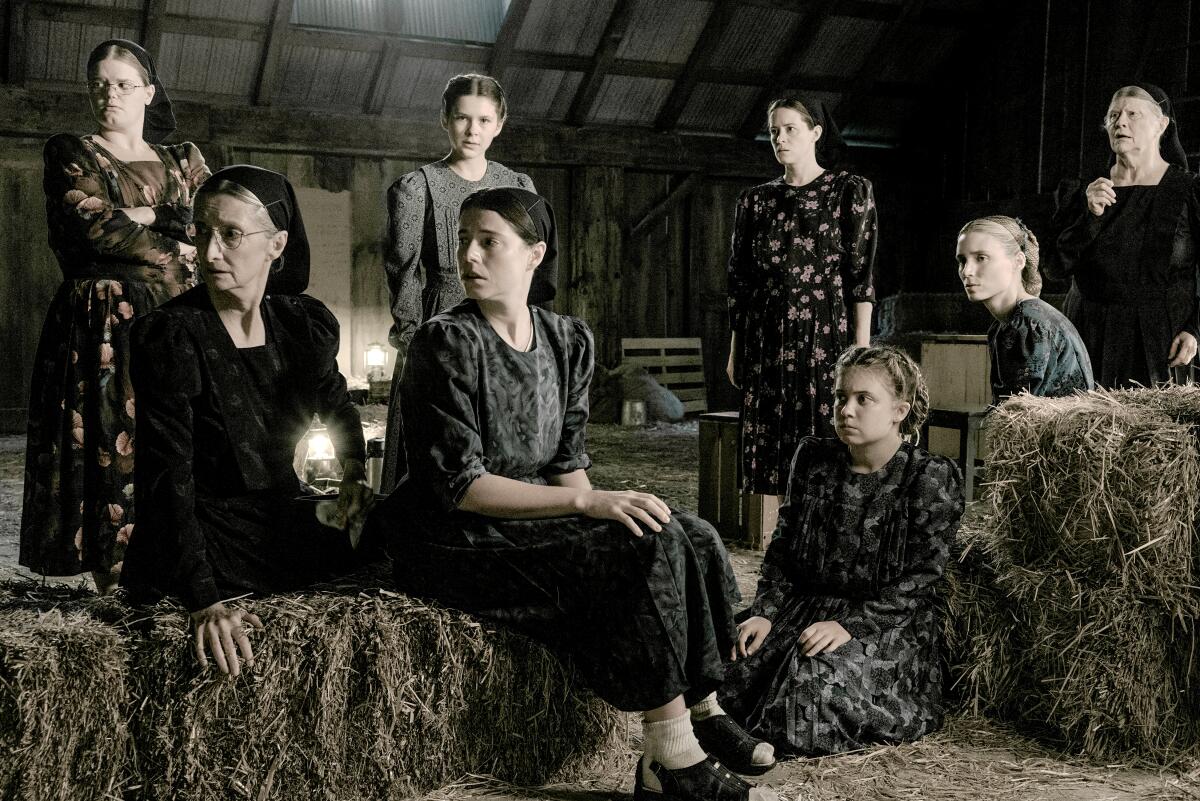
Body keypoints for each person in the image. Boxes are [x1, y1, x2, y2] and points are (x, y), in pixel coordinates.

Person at [370, 188, 777, 800]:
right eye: (464, 241)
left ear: (534, 255)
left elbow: (565, 464)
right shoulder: (444, 344)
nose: (468, 257)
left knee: (684, 530)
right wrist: (590, 506)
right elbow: (461, 486)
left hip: (528, 519)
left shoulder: (567, 341)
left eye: (489, 242)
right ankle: (669, 756)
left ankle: (705, 705)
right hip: (456, 535)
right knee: (633, 549)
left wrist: (612, 507)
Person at [120, 166, 373, 677]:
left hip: (276, 518)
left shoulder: (301, 324)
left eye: (231, 235)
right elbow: (168, 477)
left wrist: (354, 477)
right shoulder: (172, 336)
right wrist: (203, 600)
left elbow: (336, 404)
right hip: (201, 532)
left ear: (276, 245)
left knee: (397, 534)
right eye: (202, 233)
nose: (210, 253)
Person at [20, 39, 209, 594]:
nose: (111, 93)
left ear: (148, 92)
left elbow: (208, 222)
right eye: (99, 83)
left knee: (175, 440)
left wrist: (138, 213)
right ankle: (117, 584)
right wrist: (169, 228)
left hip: (177, 317)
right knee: (111, 443)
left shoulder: (184, 159)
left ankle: (188, 569)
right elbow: (88, 228)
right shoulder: (71, 151)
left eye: (124, 83)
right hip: (100, 324)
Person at [719, 345, 964, 756]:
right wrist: (766, 610)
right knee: (725, 665)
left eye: (863, 400)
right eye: (840, 397)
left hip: (884, 622)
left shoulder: (929, 477)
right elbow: (782, 547)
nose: (845, 410)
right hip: (805, 605)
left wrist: (851, 625)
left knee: (808, 691)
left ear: (899, 411)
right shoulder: (814, 458)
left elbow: (922, 579)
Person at [381, 73, 536, 492]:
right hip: (440, 319)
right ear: (445, 120)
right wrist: (414, 342)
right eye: (463, 118)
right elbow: (403, 269)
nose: (473, 130)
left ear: (499, 124)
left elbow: (529, 267)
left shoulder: (518, 187)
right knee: (436, 438)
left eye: (484, 120)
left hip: (502, 325)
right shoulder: (417, 188)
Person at [726, 95, 877, 510]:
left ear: (815, 132)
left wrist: (860, 352)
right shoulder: (754, 201)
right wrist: (736, 350)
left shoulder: (849, 192)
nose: (781, 138)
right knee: (773, 449)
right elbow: (739, 283)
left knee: (827, 439)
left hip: (826, 337)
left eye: (791, 128)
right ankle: (786, 538)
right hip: (767, 339)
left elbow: (860, 279)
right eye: (774, 131)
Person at [1053, 83, 1200, 388]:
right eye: (1113, 116)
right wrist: (1089, 217)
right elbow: (1054, 268)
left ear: (1162, 124)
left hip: (1161, 342)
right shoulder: (1082, 193)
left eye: (1133, 114)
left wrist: (1195, 329)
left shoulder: (1188, 192)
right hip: (1089, 337)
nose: (1120, 122)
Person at [957, 216, 1094, 406]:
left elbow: (1018, 417)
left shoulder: (1030, 325)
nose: (966, 271)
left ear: (1018, 261)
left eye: (981, 258)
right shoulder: (1006, 324)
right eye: (962, 260)